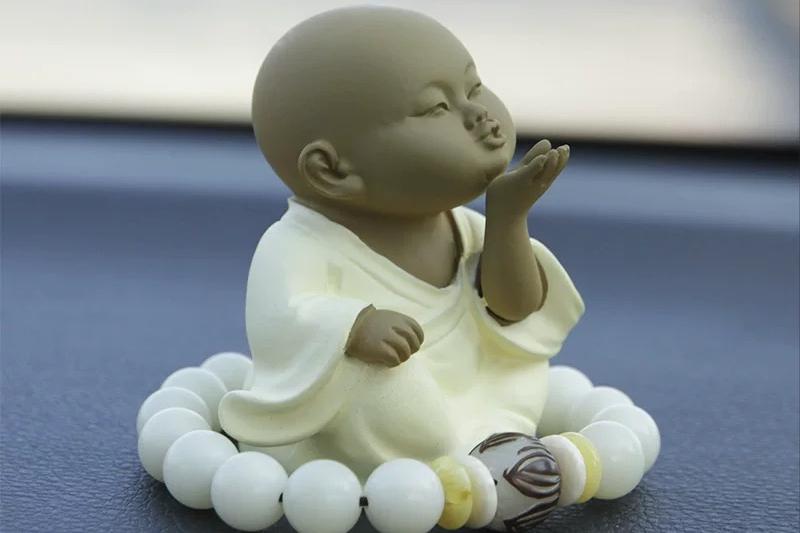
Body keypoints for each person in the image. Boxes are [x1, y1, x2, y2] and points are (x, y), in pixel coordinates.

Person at [219, 5, 584, 482]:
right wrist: (354, 326)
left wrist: (508, 219)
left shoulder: (463, 226)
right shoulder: (298, 246)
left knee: (520, 366)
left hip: (477, 394)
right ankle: (452, 458)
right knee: (377, 382)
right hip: (389, 425)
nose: (479, 115)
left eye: (474, 87)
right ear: (333, 170)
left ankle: (489, 443)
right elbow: (280, 318)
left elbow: (514, 310)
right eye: (437, 108)